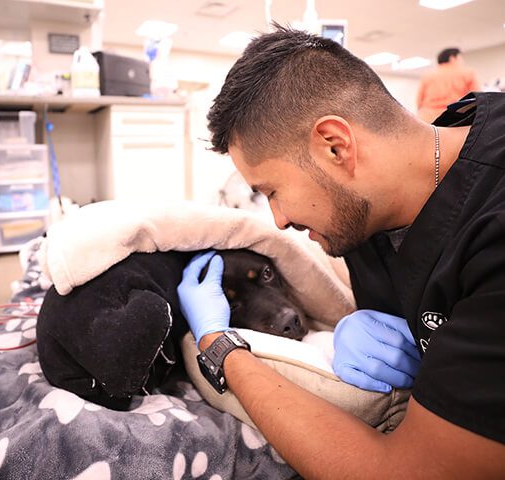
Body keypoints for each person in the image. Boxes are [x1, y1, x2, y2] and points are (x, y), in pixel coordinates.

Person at [177, 24, 505, 479]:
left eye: (271, 191)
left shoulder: (493, 230)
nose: (279, 220)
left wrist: (219, 348)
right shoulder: (372, 211)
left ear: (335, 145)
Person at [416, 47, 480, 123]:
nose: (462, 61)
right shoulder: (468, 73)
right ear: (452, 58)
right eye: (460, 58)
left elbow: (419, 100)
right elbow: (477, 97)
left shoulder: (427, 75)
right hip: (454, 118)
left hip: (427, 117)